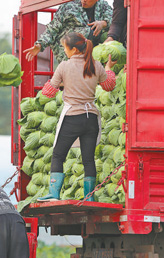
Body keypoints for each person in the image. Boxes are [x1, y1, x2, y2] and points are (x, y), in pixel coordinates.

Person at [36, 32, 117, 202]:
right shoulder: (95, 65)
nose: (64, 51)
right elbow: (109, 85)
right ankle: (89, 197)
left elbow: (48, 92)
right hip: (91, 118)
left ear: (73, 49)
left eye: (65, 48)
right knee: (88, 159)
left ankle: (54, 194)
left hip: (72, 116)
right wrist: (108, 68)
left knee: (58, 155)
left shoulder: (64, 66)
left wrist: (53, 85)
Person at [24, 0, 113, 64]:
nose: (84, 0)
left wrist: (103, 23)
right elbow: (52, 29)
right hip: (66, 50)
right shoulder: (68, 6)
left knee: (109, 35)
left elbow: (115, 20)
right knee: (88, 31)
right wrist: (40, 45)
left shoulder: (103, 5)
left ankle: (100, 64)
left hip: (91, 49)